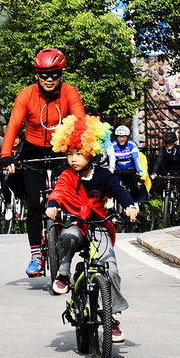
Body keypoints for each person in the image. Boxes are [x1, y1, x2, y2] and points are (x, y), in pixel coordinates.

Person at [44, 115, 137, 342]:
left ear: (92, 151)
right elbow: (58, 192)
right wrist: (53, 206)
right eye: (69, 153)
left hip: (98, 226)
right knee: (67, 235)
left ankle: (111, 317)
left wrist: (130, 205)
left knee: (111, 269)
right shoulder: (66, 175)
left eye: (79, 152)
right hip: (76, 223)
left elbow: (119, 191)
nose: (73, 158)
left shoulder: (104, 175)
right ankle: (64, 273)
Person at [0, 47, 86, 277]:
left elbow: (80, 123)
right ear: (37, 74)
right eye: (44, 74)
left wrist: (84, 151)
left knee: (68, 196)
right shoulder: (26, 95)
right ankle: (36, 255)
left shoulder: (70, 93)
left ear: (61, 73)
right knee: (34, 203)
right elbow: (13, 126)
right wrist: (6, 155)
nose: (49, 79)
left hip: (61, 150)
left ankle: (73, 240)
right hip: (32, 151)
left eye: (54, 74)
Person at [109, 125, 146, 202]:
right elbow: (112, 157)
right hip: (118, 170)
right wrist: (111, 168)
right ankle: (111, 200)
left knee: (133, 184)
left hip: (130, 169)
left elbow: (136, 158)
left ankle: (135, 202)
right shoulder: (113, 145)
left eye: (124, 137)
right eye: (119, 137)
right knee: (112, 183)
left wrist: (139, 170)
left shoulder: (132, 144)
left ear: (127, 137)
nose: (121, 139)